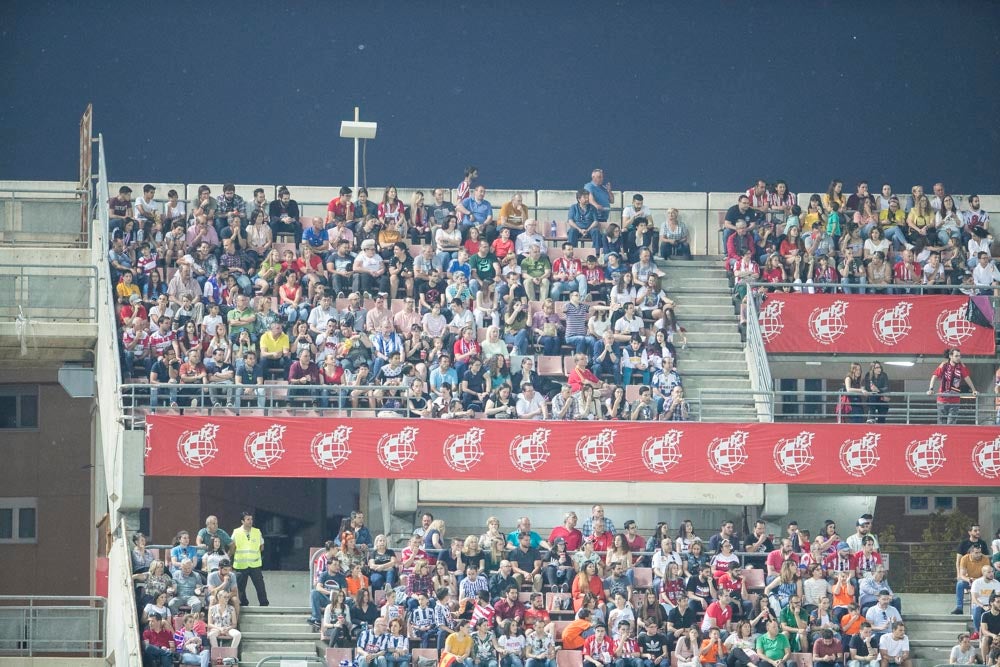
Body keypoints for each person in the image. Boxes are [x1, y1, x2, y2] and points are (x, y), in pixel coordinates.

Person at [929, 348, 978, 425]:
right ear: (950, 356)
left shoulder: (961, 366)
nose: (959, 358)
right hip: (942, 400)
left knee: (952, 425)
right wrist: (931, 389)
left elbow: (967, 378)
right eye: (956, 356)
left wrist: (974, 390)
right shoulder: (944, 365)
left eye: (959, 356)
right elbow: (934, 376)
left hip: (955, 400)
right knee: (941, 424)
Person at [232, 511, 268, 607]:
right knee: (241, 587)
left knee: (260, 585)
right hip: (241, 564)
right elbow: (232, 546)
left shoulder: (257, 531)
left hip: (255, 564)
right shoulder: (236, 532)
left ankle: (264, 604)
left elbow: (262, 546)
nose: (250, 521)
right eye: (248, 519)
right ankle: (243, 603)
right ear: (242, 521)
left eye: (251, 519)